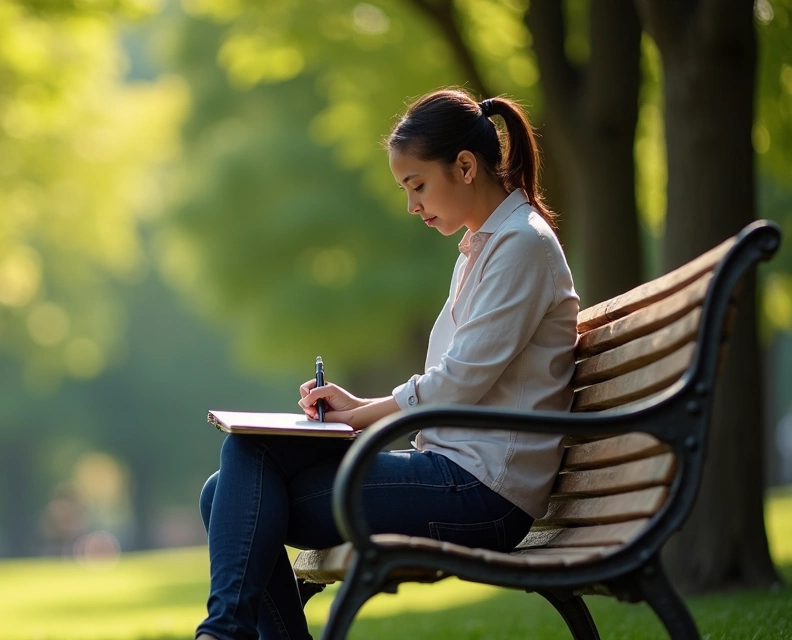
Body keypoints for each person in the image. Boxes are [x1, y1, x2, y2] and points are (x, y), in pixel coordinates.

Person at [195, 88, 580, 640]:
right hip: (454, 472)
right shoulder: (485, 247)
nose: (412, 205)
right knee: (237, 468)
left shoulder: (521, 246)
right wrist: (358, 408)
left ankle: (222, 633)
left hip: (482, 494)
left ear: (465, 166)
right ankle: (225, 632)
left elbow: (460, 382)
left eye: (417, 185)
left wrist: (363, 417)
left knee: (241, 488)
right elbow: (458, 378)